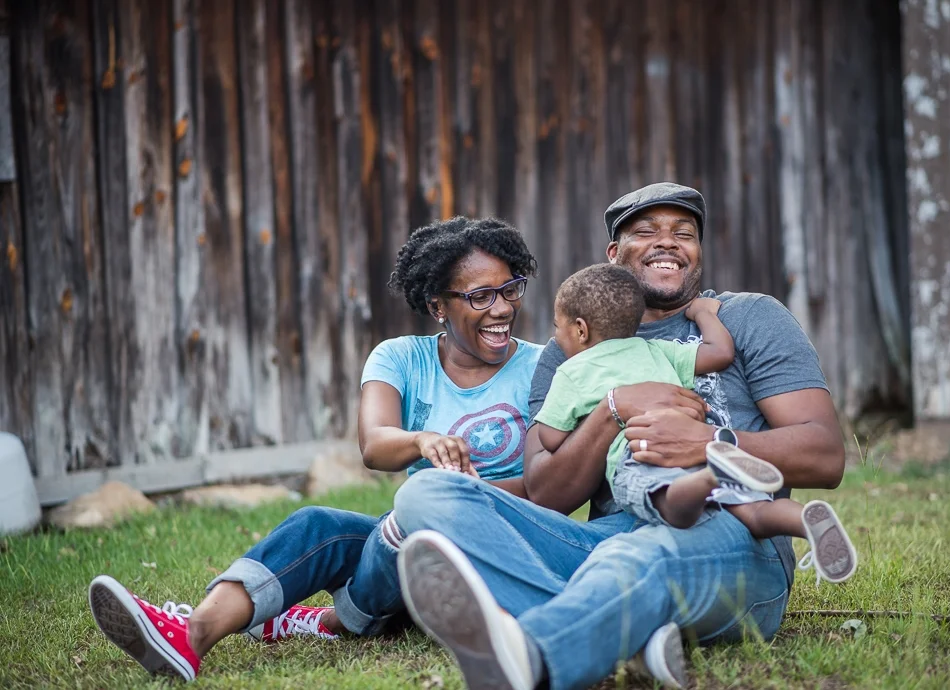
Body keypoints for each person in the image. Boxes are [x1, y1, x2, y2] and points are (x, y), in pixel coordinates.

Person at [388, 182, 850, 690]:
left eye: (685, 233)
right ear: (614, 254)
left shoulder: (745, 317)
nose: (668, 242)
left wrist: (708, 443)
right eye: (646, 231)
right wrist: (613, 409)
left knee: (638, 558)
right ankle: (630, 636)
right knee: (425, 493)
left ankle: (536, 655)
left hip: (730, 533)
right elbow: (546, 492)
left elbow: (824, 455)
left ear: (698, 252)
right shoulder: (569, 354)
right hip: (606, 537)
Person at [85, 216, 545, 682]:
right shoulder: (402, 358)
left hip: (501, 551)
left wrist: (469, 498)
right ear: (437, 305)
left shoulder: (541, 367)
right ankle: (190, 633)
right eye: (480, 296)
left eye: (511, 289)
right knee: (317, 525)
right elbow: (375, 444)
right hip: (413, 545)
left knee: (406, 530)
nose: (503, 307)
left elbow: (551, 483)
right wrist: (421, 439)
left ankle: (327, 622)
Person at [536, 262, 856, 581]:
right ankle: (804, 519)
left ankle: (710, 478)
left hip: (644, 454)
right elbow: (720, 353)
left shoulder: (571, 372)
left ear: (580, 329)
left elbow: (550, 439)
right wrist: (704, 313)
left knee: (670, 505)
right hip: (696, 444)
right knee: (753, 511)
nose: (555, 337)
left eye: (556, 327)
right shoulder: (656, 349)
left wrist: (592, 414)